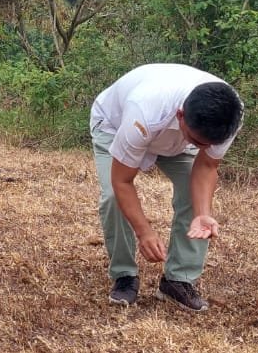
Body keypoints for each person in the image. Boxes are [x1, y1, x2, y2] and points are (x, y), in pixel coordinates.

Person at [89, 64, 244, 312]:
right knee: (112, 198)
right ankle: (124, 275)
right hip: (116, 125)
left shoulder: (229, 112)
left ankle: (178, 280)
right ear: (181, 115)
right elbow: (122, 181)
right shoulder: (145, 110)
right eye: (197, 141)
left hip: (176, 140)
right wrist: (144, 232)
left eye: (208, 143)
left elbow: (206, 166)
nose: (203, 146)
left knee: (193, 200)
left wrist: (203, 212)